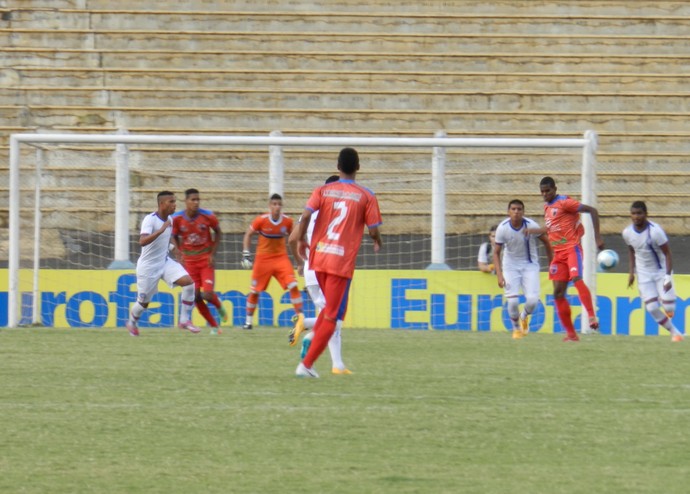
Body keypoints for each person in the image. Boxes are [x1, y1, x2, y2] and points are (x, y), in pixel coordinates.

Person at [288, 147, 382, 378]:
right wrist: (377, 241)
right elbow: (373, 229)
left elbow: (307, 215)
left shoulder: (322, 190)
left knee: (329, 314)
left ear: (338, 167)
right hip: (340, 263)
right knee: (333, 317)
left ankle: (312, 340)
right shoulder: (366, 195)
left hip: (318, 259)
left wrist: (301, 239)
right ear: (358, 167)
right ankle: (306, 365)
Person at [288, 174, 351, 375]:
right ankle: (331, 361)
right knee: (334, 318)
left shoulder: (312, 210)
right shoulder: (337, 212)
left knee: (329, 315)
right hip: (327, 266)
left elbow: (291, 239)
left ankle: (336, 363)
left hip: (309, 269)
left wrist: (299, 262)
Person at [536, 176, 603, 342]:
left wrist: (598, 237)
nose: (545, 194)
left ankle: (591, 316)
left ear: (555, 189)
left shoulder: (565, 202)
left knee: (576, 277)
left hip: (572, 249)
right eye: (542, 192)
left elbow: (592, 211)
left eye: (548, 191)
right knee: (558, 292)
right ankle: (571, 334)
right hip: (558, 254)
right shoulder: (547, 207)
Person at [126, 191, 200, 336]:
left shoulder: (170, 220)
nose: (174, 204)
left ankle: (184, 320)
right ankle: (132, 323)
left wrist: (175, 250)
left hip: (164, 262)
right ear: (161, 204)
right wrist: (160, 230)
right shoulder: (150, 220)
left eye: (174, 201)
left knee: (189, 283)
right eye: (171, 202)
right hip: (148, 267)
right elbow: (142, 241)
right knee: (143, 303)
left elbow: (168, 237)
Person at [240, 193, 304, 330]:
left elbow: (294, 238)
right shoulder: (261, 220)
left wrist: (301, 254)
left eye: (279, 204)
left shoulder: (287, 221)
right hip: (262, 259)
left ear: (282, 206)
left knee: (293, 284)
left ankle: (301, 320)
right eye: (274, 204)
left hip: (280, 258)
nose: (277, 207)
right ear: (270, 206)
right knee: (255, 291)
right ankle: (248, 322)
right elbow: (248, 234)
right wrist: (246, 253)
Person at [622, 201, 683, 342]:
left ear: (646, 214)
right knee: (652, 308)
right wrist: (631, 272)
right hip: (643, 273)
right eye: (633, 213)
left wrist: (668, 276)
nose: (636, 216)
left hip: (661, 272)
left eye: (639, 213)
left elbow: (667, 253)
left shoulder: (655, 231)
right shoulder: (627, 233)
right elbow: (631, 250)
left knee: (669, 308)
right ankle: (675, 333)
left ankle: (666, 299)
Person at [493, 199, 553, 340]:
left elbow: (547, 242)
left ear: (523, 212)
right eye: (513, 209)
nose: (516, 212)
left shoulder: (531, 225)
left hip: (529, 265)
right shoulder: (502, 228)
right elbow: (496, 252)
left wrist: (552, 263)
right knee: (513, 301)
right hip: (510, 266)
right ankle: (516, 328)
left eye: (519, 209)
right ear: (508, 212)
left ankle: (524, 316)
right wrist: (499, 275)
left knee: (532, 301)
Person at [172, 188, 227, 335]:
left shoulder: (208, 216)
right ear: (186, 201)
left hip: (205, 260)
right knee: (195, 296)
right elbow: (173, 236)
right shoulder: (177, 218)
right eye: (193, 200)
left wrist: (212, 254)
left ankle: (219, 305)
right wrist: (178, 251)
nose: (196, 202)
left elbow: (219, 232)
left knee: (208, 294)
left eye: (198, 200)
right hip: (189, 263)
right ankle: (215, 326)